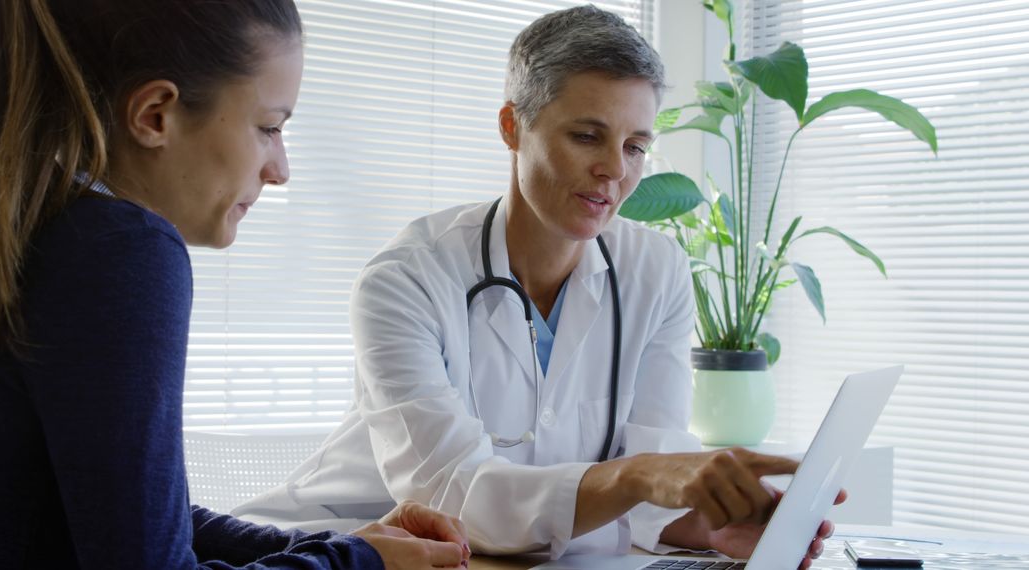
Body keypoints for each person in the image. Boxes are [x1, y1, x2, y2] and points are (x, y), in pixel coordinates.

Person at [234, 5, 841, 568]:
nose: (614, 170)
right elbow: (453, 500)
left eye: (635, 146)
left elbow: (655, 481)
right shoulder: (405, 280)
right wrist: (637, 476)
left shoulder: (655, 270)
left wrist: (710, 528)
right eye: (586, 136)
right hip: (340, 550)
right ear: (512, 126)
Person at [0, 1, 469, 568]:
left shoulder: (4, 224)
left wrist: (335, 548)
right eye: (269, 127)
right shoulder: (117, 249)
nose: (281, 168)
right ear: (155, 114)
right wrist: (360, 564)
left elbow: (122, 516)